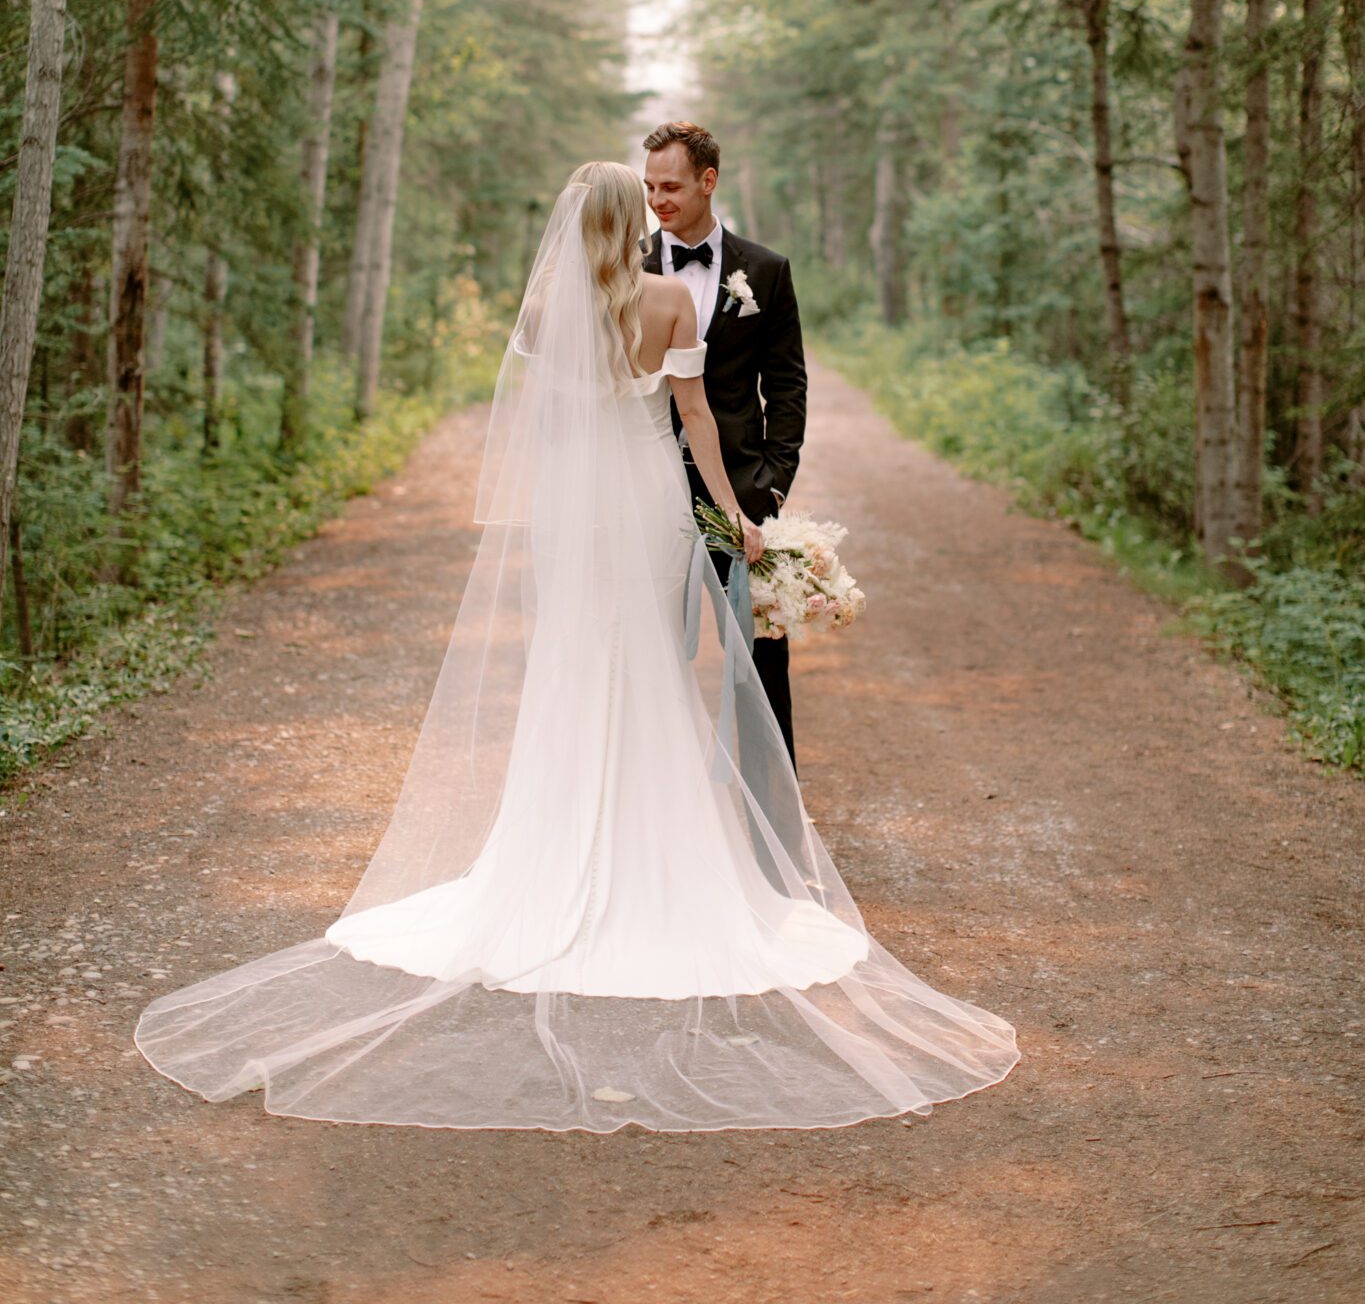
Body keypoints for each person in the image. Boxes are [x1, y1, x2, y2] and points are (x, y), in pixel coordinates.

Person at [135, 162, 1018, 1132]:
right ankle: (661, 855)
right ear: (631, 218)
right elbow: (692, 421)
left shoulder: (552, 305)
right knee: (647, 664)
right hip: (645, 499)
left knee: (573, 664)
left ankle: (549, 852)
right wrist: (737, 516)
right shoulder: (674, 298)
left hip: (572, 510)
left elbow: (537, 419)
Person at [643, 120, 805, 765]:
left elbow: (786, 387)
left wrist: (769, 484)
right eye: (651, 186)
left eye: (673, 186)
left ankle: (777, 814)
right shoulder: (625, 264)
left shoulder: (764, 271)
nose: (659, 200)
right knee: (646, 651)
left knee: (760, 659)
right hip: (645, 487)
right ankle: (660, 811)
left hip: (739, 490)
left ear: (709, 181)